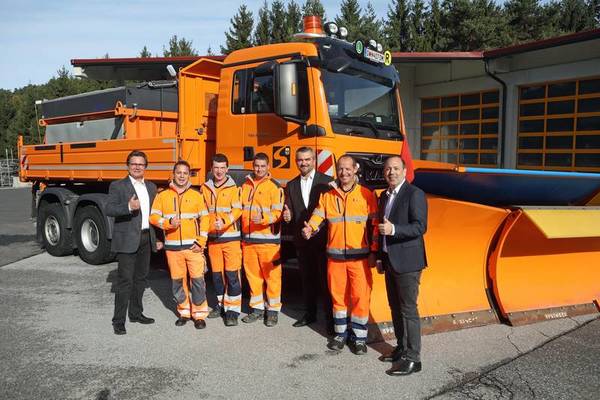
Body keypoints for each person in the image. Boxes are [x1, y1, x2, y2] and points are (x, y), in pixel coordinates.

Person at [302, 155, 379, 355]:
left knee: (360, 297)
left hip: (360, 259)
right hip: (335, 258)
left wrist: (374, 252)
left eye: (347, 169)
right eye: (340, 169)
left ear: (355, 169)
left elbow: (375, 227)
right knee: (338, 298)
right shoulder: (328, 196)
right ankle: (340, 334)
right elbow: (318, 216)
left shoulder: (367, 194)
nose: (344, 173)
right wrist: (310, 228)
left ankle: (359, 338)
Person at [377, 156, 428, 376]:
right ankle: (401, 347)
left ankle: (414, 358)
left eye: (396, 168)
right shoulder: (384, 196)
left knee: (408, 310)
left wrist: (394, 230)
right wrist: (380, 256)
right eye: (388, 169)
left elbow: (420, 227)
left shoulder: (414, 194)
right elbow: (381, 229)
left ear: (405, 171)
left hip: (408, 261)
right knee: (395, 307)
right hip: (390, 260)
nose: (392, 172)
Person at [149, 160, 210, 329]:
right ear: (173, 174)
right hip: (173, 248)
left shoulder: (197, 195)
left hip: (194, 247)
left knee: (198, 282)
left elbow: (205, 218)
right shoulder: (162, 196)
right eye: (179, 173)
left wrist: (201, 241)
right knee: (178, 282)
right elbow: (153, 217)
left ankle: (199, 315)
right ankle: (184, 312)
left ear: (189, 175)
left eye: (185, 173)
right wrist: (168, 223)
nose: (182, 176)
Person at [107, 150, 162, 335]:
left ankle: (136, 313)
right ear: (128, 165)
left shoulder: (151, 187)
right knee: (125, 281)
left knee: (141, 279)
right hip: (127, 240)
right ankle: (118, 321)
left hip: (146, 237)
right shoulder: (118, 186)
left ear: (146, 167)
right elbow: (109, 208)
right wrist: (129, 207)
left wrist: (157, 238)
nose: (137, 167)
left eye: (141, 164)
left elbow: (154, 215)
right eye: (134, 164)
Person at [283, 147, 333, 331]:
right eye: (300, 160)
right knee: (307, 279)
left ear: (314, 160)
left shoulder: (327, 182)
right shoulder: (291, 184)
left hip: (322, 239)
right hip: (302, 241)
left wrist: (316, 227)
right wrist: (287, 216)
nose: (303, 163)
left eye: (307, 159)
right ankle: (309, 314)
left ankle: (330, 320)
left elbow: (331, 211)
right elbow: (290, 210)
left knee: (326, 282)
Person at [240, 153, 284, 327]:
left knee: (272, 278)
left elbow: (278, 213)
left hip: (269, 242)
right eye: (256, 166)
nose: (259, 169)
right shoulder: (245, 186)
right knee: (253, 277)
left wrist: (264, 219)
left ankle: (272, 311)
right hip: (249, 241)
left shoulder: (275, 187)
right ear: (253, 166)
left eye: (262, 166)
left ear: (268, 167)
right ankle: (257, 309)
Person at [201, 154, 243, 326]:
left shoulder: (234, 188)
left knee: (232, 276)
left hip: (230, 238)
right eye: (216, 168)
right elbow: (203, 212)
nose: (219, 171)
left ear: (227, 169)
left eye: (222, 168)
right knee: (217, 276)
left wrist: (224, 222)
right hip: (213, 239)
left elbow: (237, 210)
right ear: (211, 169)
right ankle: (221, 306)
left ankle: (232, 311)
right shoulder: (205, 188)